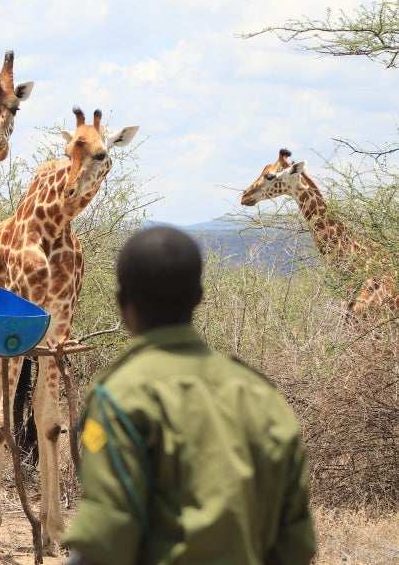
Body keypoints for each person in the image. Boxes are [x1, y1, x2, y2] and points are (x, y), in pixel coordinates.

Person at [62, 225, 316, 564]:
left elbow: (105, 541)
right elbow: (296, 544)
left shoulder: (120, 397)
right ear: (198, 297)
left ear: (122, 301)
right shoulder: (261, 396)